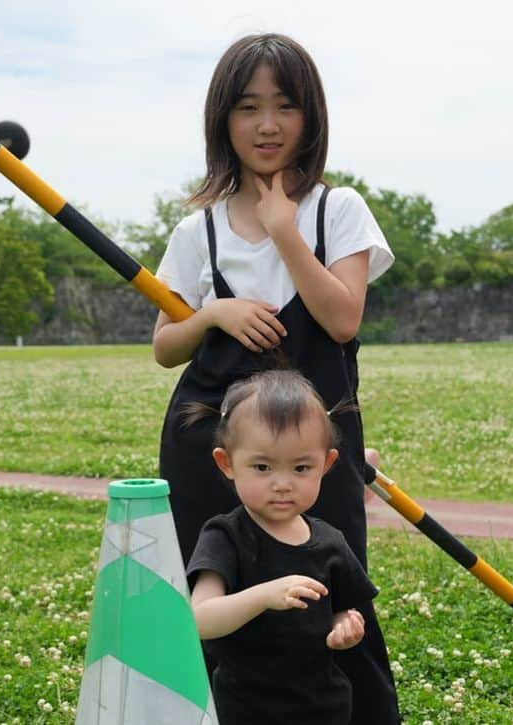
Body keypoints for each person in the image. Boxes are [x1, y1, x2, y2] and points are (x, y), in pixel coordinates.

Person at [153, 33, 399, 722]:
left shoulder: (336, 209)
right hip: (212, 440)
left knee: (337, 586)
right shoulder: (196, 228)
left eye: (285, 106)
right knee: (218, 577)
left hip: (316, 443)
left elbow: (343, 318)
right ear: (222, 120)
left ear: (310, 118)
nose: (267, 125)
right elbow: (166, 348)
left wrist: (286, 231)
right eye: (248, 107)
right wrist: (212, 314)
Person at [185, 370, 377, 724]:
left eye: (302, 467)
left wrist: (345, 625)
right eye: (262, 467)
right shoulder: (225, 537)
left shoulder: (331, 542)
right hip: (246, 709)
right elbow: (199, 619)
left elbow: (340, 609)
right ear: (227, 463)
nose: (283, 484)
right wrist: (265, 595)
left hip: (324, 707)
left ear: (327, 465)